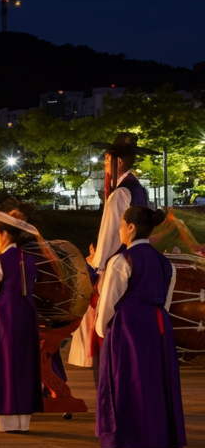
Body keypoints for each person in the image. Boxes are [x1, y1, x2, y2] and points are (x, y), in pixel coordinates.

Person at [96, 206, 187, 448]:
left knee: (131, 385)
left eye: (122, 224)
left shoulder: (123, 260)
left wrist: (104, 331)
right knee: (159, 386)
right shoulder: (164, 261)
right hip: (159, 326)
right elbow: (166, 302)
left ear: (132, 227)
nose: (119, 229)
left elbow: (108, 304)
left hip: (129, 327)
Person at [72, 132, 156, 372]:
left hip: (119, 263)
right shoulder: (140, 189)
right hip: (141, 258)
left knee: (104, 322)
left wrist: (96, 266)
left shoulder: (120, 193)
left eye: (107, 161)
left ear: (118, 162)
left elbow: (110, 235)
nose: (105, 166)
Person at [0, 212, 43, 433]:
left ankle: (6, 422)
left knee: (3, 361)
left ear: (3, 234)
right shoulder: (30, 260)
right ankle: (23, 421)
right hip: (27, 314)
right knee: (23, 362)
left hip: (3, 317)